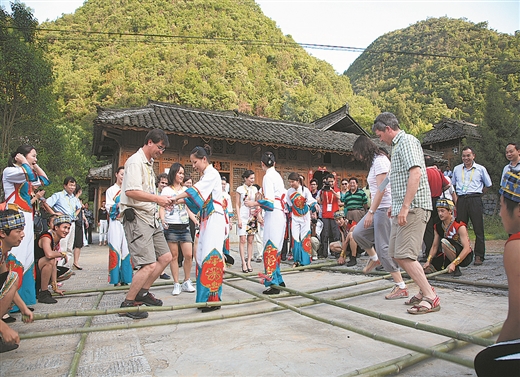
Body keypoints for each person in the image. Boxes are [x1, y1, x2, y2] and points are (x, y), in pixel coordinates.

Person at [372, 112, 438, 315]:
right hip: (402, 207)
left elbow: (416, 173)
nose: (380, 139)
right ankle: (423, 288)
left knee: (405, 254)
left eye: (380, 134)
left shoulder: (408, 141)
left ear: (388, 129)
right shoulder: (396, 147)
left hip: (415, 206)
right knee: (395, 253)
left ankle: (430, 297)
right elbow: (394, 179)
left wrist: (406, 205)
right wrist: (397, 204)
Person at [118, 129, 174, 319]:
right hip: (138, 217)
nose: (161, 152)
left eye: (163, 149)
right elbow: (131, 192)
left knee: (166, 257)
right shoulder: (135, 161)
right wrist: (158, 199)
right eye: (160, 147)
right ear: (150, 142)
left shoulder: (149, 164)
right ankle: (128, 303)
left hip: (151, 217)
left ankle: (143, 292)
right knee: (148, 265)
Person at [351, 135, 409, 300]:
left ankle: (401, 286)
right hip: (377, 208)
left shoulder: (380, 161)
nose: (358, 157)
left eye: (358, 153)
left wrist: (371, 211)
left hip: (384, 208)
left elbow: (382, 187)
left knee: (384, 247)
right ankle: (374, 258)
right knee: (358, 234)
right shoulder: (374, 163)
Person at [474, 171, 520, 376]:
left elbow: (517, 318)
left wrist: (498, 346)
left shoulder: (516, 246)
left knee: (487, 360)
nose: (500, 213)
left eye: (501, 206)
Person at [172, 145, 226, 312]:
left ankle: (213, 298)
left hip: (214, 217)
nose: (193, 165)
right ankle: (205, 298)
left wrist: (175, 197)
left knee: (212, 255)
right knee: (202, 255)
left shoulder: (212, 174)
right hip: (206, 217)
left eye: (195, 162)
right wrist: (175, 201)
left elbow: (193, 192)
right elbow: (195, 198)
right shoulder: (205, 176)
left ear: (204, 159)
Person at [2, 145, 50, 307]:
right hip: (15, 219)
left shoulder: (25, 171)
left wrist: (33, 164)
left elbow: (45, 180)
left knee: (28, 259)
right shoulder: (10, 171)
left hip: (27, 219)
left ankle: (24, 299)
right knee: (16, 257)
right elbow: (29, 175)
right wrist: (24, 162)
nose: (36, 159)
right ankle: (9, 303)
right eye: (33, 156)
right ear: (21, 156)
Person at [245, 152, 286, 295]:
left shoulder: (268, 177)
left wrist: (254, 203)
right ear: (274, 163)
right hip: (280, 213)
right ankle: (279, 279)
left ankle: (273, 282)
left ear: (262, 164)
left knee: (270, 247)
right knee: (276, 248)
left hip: (273, 213)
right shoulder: (278, 176)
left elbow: (269, 202)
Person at [159, 162, 197, 296]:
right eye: (179, 173)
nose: (181, 175)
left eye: (183, 173)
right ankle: (176, 283)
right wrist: (162, 219)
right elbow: (162, 206)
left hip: (184, 225)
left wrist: (194, 219)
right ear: (173, 173)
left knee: (188, 255)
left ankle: (187, 281)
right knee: (174, 256)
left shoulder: (184, 191)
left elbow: (188, 208)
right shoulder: (166, 190)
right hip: (171, 226)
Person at [451, 146, 492, 266]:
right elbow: (452, 185)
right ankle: (461, 255)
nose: (466, 158)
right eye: (464, 156)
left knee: (478, 228)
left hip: (475, 199)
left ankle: (479, 255)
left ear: (473, 156)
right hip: (462, 200)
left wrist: (478, 194)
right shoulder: (457, 169)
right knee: (460, 228)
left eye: (468, 155)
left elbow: (488, 185)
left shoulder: (480, 169)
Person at [0, 209, 34, 353]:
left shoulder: (3, 252)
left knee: (10, 277)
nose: (23, 234)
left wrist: (23, 308)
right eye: (18, 231)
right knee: (13, 277)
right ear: (3, 233)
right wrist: (3, 327)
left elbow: (5, 284)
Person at [422, 199, 473, 277]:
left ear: (450, 211)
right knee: (427, 269)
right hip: (446, 253)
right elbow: (434, 246)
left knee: (444, 242)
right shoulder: (438, 226)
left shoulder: (459, 225)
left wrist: (454, 263)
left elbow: (466, 248)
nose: (440, 214)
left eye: (442, 211)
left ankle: (455, 267)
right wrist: (428, 261)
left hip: (463, 255)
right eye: (438, 211)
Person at [43, 176, 81, 269]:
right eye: (70, 185)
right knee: (62, 245)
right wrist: (54, 214)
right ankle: (58, 268)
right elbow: (46, 203)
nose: (72, 187)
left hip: (71, 223)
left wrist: (75, 215)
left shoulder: (74, 198)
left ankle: (65, 268)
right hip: (62, 223)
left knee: (69, 247)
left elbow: (79, 207)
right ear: (65, 186)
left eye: (74, 186)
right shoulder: (58, 195)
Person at [34, 214, 71, 303]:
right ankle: (43, 292)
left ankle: (43, 288)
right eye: (64, 227)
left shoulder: (56, 239)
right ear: (56, 227)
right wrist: (62, 254)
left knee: (67, 272)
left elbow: (54, 264)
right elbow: (49, 255)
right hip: (33, 268)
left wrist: (55, 288)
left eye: (68, 228)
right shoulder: (46, 236)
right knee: (50, 260)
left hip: (41, 266)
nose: (66, 231)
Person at [105, 167, 133, 286]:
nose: (123, 177)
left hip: (127, 222)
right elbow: (109, 207)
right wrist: (120, 205)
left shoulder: (129, 190)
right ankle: (115, 279)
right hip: (116, 221)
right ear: (116, 174)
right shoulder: (111, 190)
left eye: (125, 174)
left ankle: (126, 278)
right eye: (122, 174)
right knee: (115, 248)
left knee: (127, 250)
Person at [285, 172, 317, 268]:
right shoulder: (289, 192)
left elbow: (311, 201)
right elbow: (289, 204)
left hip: (305, 217)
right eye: (290, 182)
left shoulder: (305, 190)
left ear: (298, 181)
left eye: (292, 182)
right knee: (295, 238)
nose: (291, 184)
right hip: (295, 217)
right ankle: (296, 260)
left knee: (304, 237)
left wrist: (314, 205)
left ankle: (305, 261)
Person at [422, 155, 451, 258]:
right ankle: (438, 250)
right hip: (438, 200)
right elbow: (447, 185)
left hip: (427, 200)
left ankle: (429, 252)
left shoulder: (423, 172)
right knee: (437, 227)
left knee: (428, 228)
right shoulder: (438, 172)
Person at [235, 170, 258, 273]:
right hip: (243, 217)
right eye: (251, 178)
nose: (252, 180)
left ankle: (249, 261)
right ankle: (243, 262)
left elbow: (257, 203)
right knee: (242, 240)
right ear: (245, 178)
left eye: (253, 178)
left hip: (252, 217)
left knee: (250, 240)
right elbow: (237, 204)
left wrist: (258, 215)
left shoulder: (255, 189)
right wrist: (238, 218)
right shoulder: (240, 189)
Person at [317, 173, 341, 259]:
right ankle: (324, 253)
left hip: (334, 214)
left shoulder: (337, 190)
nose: (330, 183)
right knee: (325, 234)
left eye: (332, 181)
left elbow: (339, 197)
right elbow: (319, 201)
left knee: (335, 234)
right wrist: (322, 192)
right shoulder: (323, 191)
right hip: (325, 214)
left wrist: (332, 190)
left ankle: (336, 253)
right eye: (329, 181)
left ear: (334, 181)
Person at [71, 185, 87, 270]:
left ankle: (75, 262)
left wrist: (84, 219)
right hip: (74, 222)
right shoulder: (72, 199)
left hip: (79, 222)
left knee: (79, 244)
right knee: (71, 245)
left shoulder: (78, 201)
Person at [221, 176, 234, 266]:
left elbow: (229, 210)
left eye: (224, 184)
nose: (223, 186)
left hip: (225, 219)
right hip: (218, 218)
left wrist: (230, 221)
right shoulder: (215, 194)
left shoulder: (227, 196)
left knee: (225, 239)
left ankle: (226, 258)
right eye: (221, 184)